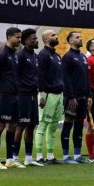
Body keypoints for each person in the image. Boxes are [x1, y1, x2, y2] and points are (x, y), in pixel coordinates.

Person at [0, 27, 22, 169]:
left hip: (15, 95)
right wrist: (0, 91)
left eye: (20, 37)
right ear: (9, 37)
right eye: (17, 37)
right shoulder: (2, 55)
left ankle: (10, 159)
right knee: (0, 125)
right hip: (4, 95)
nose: (19, 40)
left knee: (13, 126)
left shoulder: (15, 54)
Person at [61, 31, 91, 164]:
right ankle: (66, 156)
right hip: (71, 98)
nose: (80, 39)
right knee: (68, 124)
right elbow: (65, 79)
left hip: (83, 97)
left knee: (79, 125)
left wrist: (89, 95)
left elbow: (86, 77)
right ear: (71, 41)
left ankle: (77, 155)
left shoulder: (83, 56)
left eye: (80, 37)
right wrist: (70, 96)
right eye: (77, 37)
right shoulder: (67, 57)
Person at [15, 28, 43, 167]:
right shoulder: (20, 55)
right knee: (20, 126)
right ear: (26, 40)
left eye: (36, 38)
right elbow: (15, 75)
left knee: (31, 126)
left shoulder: (36, 56)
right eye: (33, 38)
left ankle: (28, 157)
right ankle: (14, 158)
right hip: (23, 95)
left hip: (33, 95)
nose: (36, 40)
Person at [35, 30, 64, 164]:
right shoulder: (43, 54)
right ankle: (39, 156)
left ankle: (51, 155)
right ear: (46, 39)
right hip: (48, 94)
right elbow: (40, 75)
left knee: (53, 126)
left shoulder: (57, 55)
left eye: (55, 34)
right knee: (43, 125)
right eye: (53, 35)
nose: (56, 36)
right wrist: (41, 94)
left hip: (59, 94)